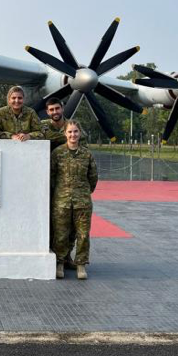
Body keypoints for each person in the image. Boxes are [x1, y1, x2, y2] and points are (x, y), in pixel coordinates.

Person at [50, 120, 98, 280]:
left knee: (83, 235)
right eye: (70, 132)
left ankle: (81, 264)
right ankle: (60, 263)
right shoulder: (57, 153)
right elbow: (51, 175)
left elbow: (93, 177)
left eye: (75, 131)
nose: (73, 135)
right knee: (61, 234)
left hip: (82, 201)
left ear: (80, 133)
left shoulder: (86, 154)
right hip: (61, 201)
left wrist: (84, 192)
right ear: (65, 134)